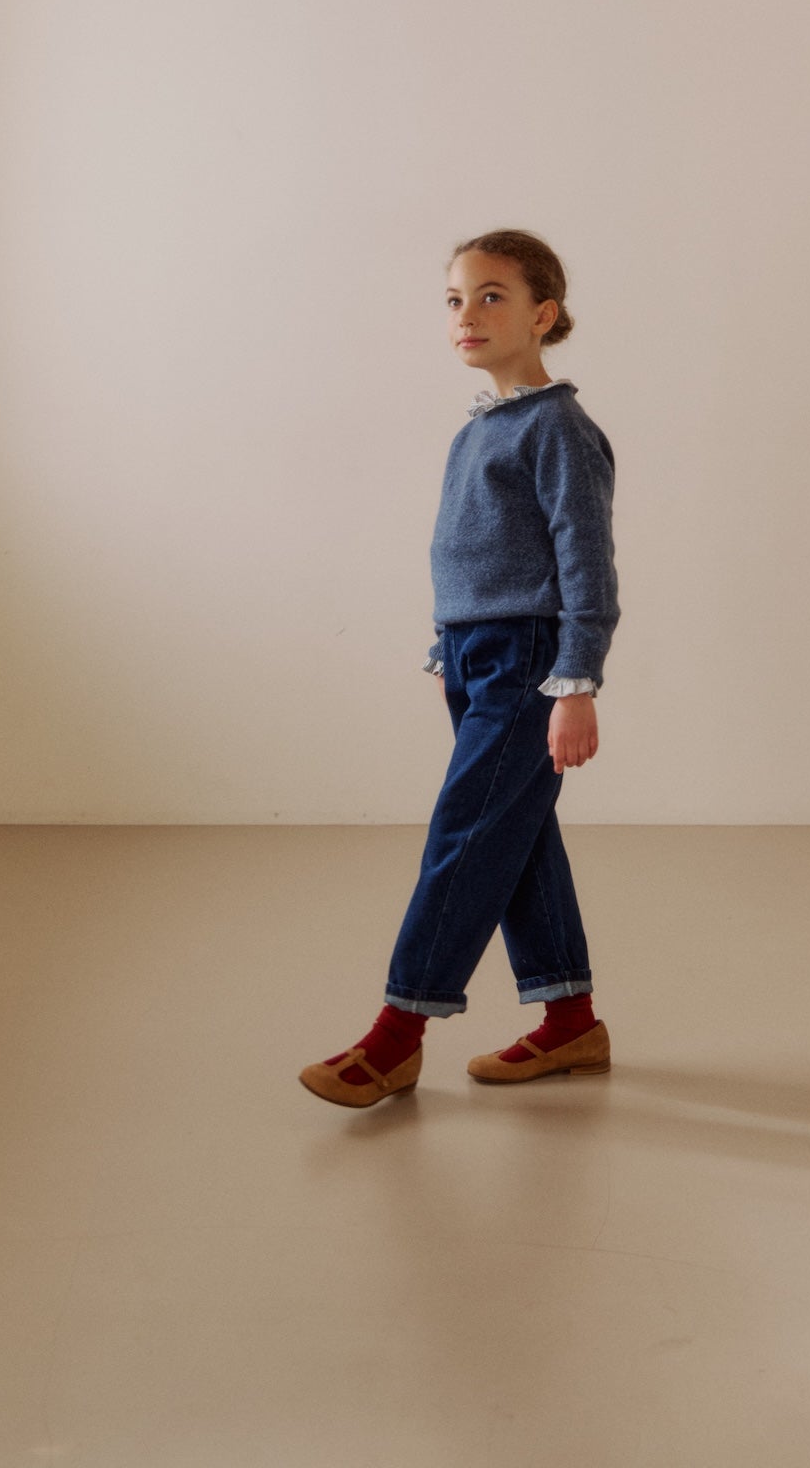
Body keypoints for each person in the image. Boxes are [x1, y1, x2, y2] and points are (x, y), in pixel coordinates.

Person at [299, 229, 620, 1109]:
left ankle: (396, 1036)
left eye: (490, 296)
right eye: (454, 299)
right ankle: (571, 1021)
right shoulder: (481, 428)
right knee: (517, 834)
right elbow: (473, 555)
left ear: (543, 315)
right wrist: (450, 648)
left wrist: (576, 682)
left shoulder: (558, 429)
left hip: (529, 664)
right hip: (477, 661)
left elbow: (586, 568)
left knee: (466, 835)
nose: (466, 315)